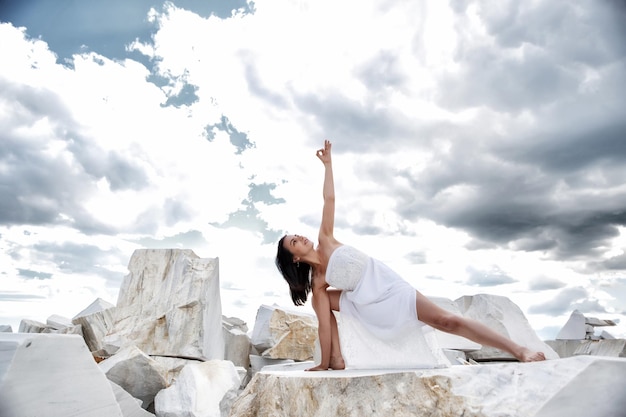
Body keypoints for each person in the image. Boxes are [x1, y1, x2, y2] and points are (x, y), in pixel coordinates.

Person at [275, 140, 546, 371]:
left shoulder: (326, 239)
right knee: (321, 306)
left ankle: (518, 349)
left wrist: (328, 166)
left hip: (391, 288)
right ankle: (335, 359)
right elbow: (324, 324)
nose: (301, 237)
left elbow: (329, 200)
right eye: (295, 242)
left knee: (446, 321)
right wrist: (324, 364)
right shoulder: (319, 284)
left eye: (297, 235)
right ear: (294, 258)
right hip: (369, 304)